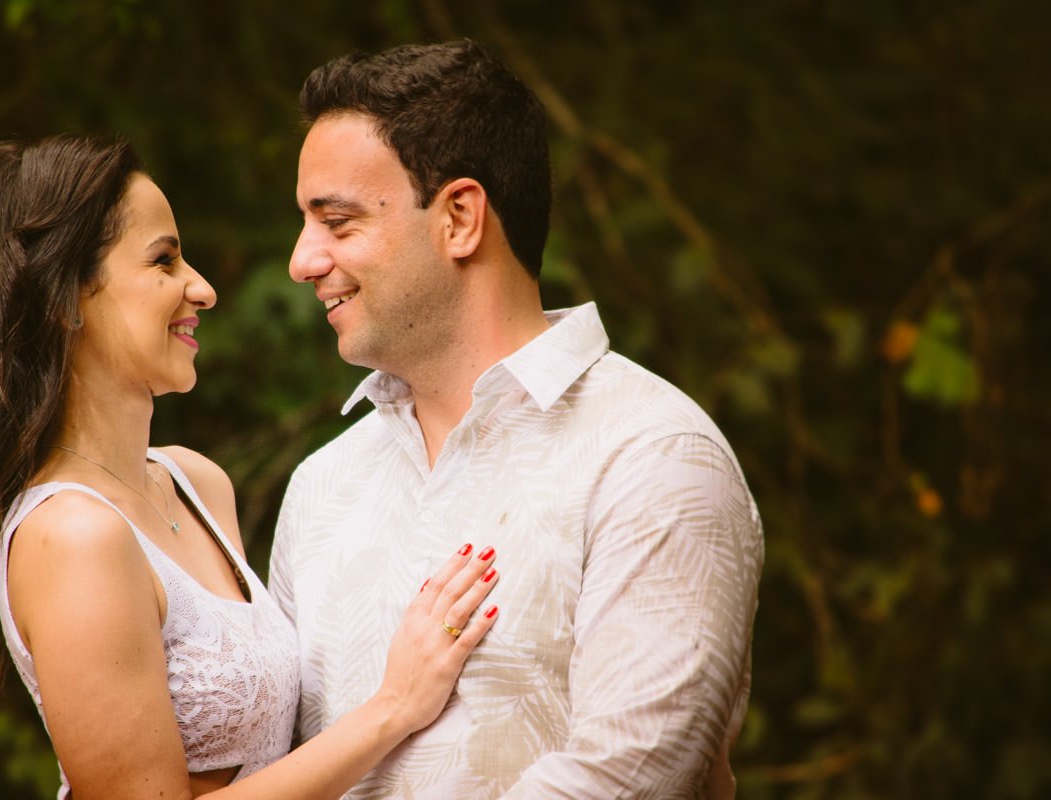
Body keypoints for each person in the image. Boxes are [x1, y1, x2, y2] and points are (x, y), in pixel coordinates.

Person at [0, 134, 500, 800]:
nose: (204, 289)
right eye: (164, 261)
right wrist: (392, 708)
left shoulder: (195, 484)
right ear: (64, 298)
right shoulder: (72, 536)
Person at [269, 39, 765, 799]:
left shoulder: (653, 454)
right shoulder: (320, 486)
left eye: (337, 222)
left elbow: (623, 780)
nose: (302, 260)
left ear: (460, 217)